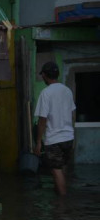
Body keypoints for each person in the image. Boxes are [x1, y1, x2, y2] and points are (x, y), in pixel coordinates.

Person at [34, 61, 76, 195]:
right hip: (68, 137)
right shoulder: (67, 91)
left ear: (45, 75)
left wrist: (39, 142)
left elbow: (42, 119)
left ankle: (62, 206)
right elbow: (72, 113)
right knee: (61, 168)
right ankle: (59, 199)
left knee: (56, 170)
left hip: (54, 139)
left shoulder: (46, 93)